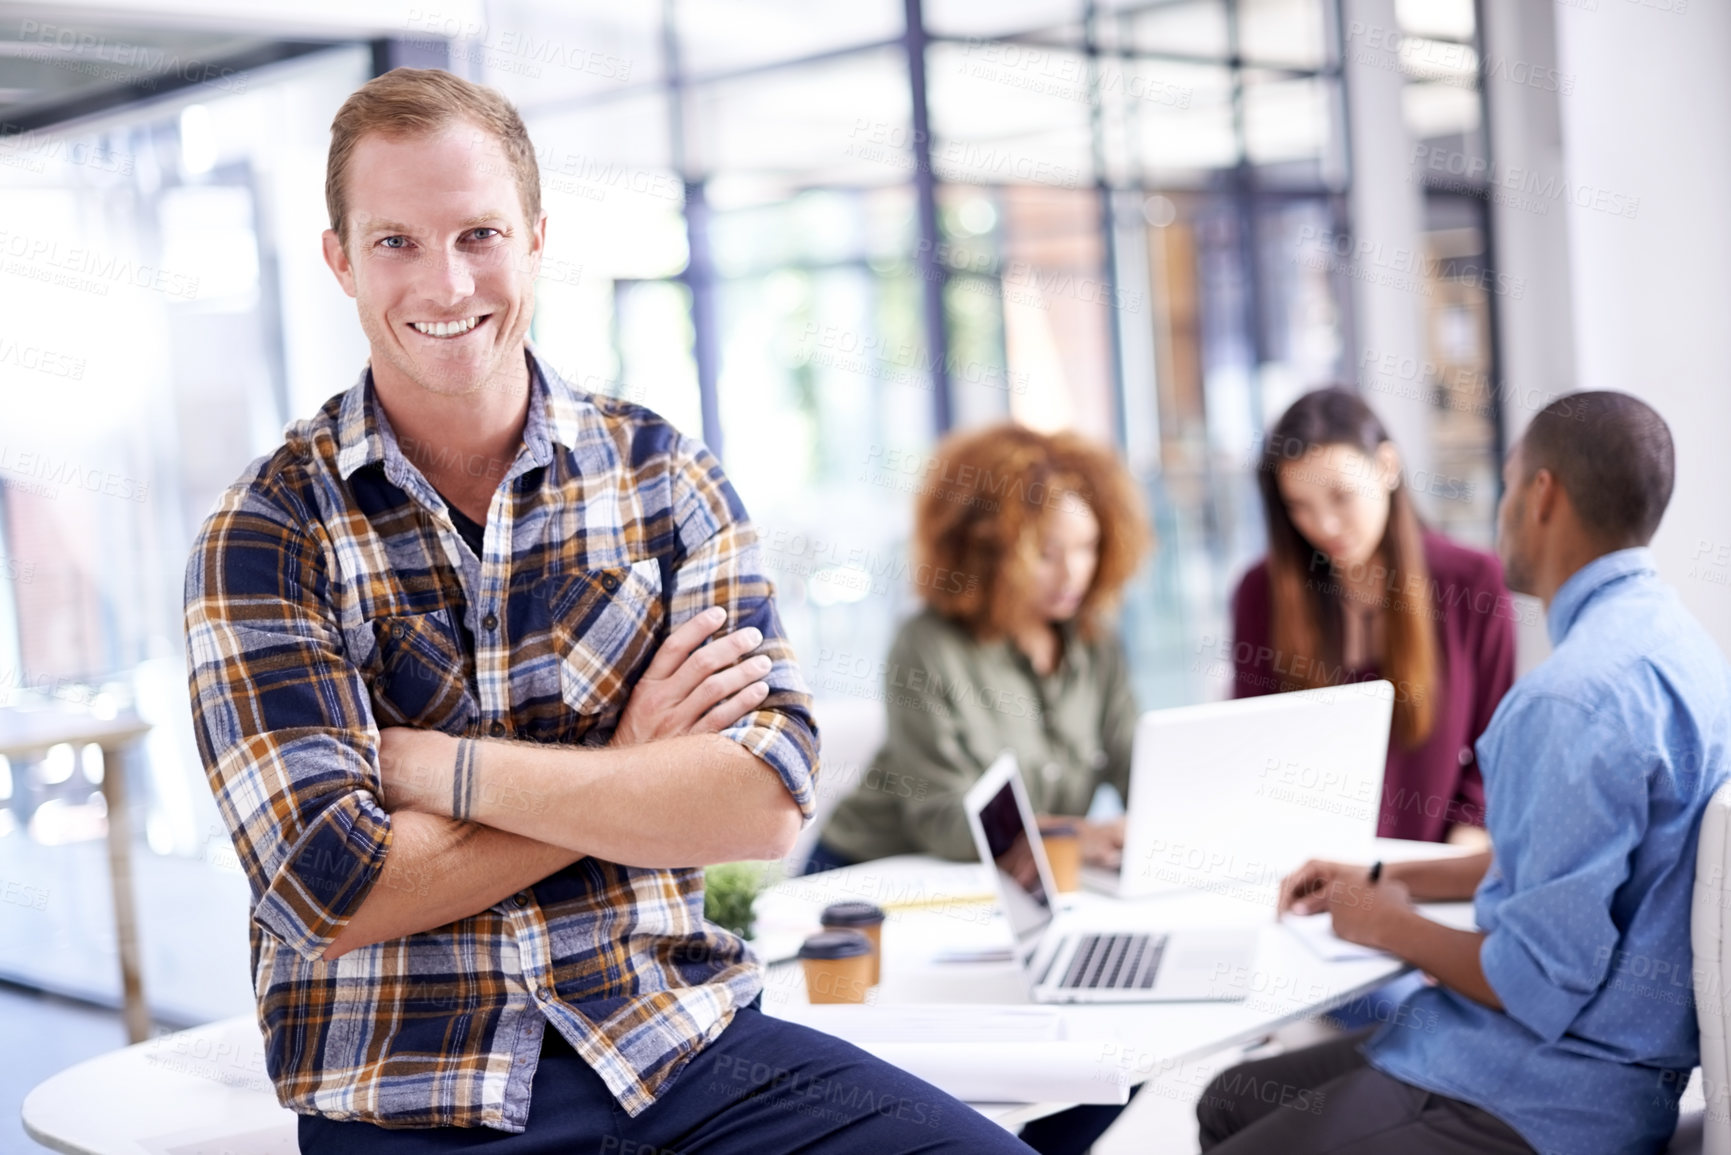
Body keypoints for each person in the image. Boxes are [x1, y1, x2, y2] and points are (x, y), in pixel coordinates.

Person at [184, 68, 1036, 1154]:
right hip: (412, 1098)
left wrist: (451, 771)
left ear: (537, 236)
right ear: (340, 259)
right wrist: (632, 766)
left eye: (479, 233)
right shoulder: (266, 533)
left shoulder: (661, 475)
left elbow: (765, 800)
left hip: (684, 1050)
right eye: (396, 241)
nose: (445, 285)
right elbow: (331, 892)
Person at [1196, 391, 1731, 1154]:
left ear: (1540, 495)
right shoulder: (1682, 648)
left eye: (1509, 483)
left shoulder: (1570, 699)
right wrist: (1379, 872)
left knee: (1233, 1124)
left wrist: (1383, 921)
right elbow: (1555, 860)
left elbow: (1532, 980)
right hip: (1564, 1065)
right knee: (1228, 1101)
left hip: (1528, 1093)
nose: (1500, 507)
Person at [814, 423, 1153, 873]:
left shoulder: (1097, 644)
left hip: (1011, 886)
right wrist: (1071, 835)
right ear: (988, 550)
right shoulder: (926, 645)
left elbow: (1141, 771)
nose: (1073, 573)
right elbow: (941, 819)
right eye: (1047, 554)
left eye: (1087, 547)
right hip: (873, 877)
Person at [1231, 387, 1516, 843]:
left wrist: (1450, 867)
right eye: (1299, 507)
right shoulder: (1260, 593)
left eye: (1342, 497)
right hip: (1301, 873)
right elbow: (1250, 746)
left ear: (1387, 467)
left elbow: (1498, 749)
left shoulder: (1473, 583)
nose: (1323, 526)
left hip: (1431, 877)